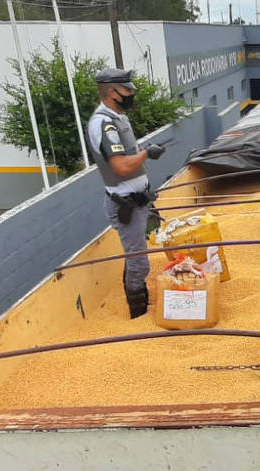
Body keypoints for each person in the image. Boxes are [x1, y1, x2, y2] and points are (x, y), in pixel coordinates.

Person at [87, 68, 166, 318]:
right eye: (127, 90)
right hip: (126, 205)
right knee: (139, 262)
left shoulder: (119, 118)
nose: (132, 93)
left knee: (135, 255)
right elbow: (120, 166)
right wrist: (145, 154)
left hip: (138, 200)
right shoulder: (104, 123)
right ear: (112, 92)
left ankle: (139, 302)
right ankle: (138, 313)